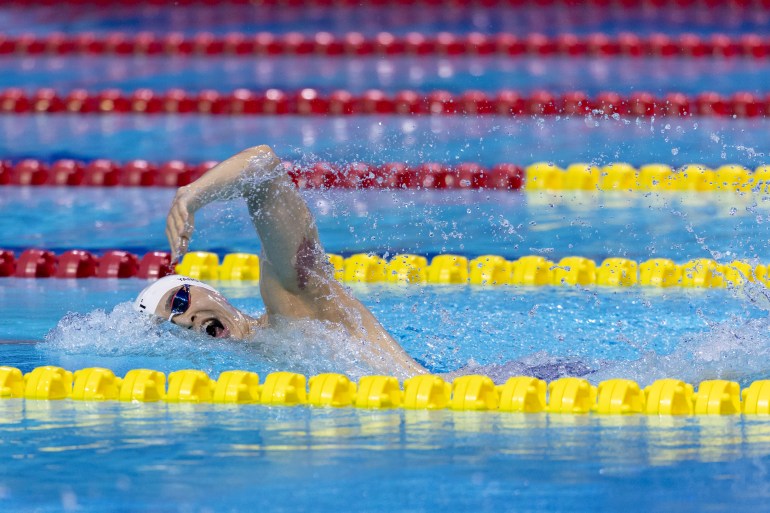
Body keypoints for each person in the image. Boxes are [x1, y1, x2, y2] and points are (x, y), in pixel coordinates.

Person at [134, 145, 427, 377]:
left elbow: (263, 166)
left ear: (212, 291)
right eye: (169, 325)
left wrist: (190, 195)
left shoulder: (291, 306)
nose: (184, 320)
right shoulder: (252, 368)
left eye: (179, 302)